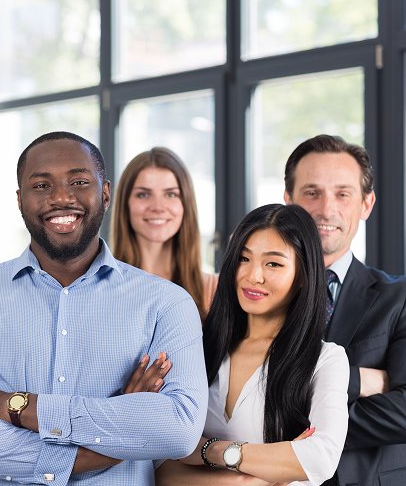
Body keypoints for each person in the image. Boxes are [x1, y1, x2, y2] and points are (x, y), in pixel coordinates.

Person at [0, 131, 208, 485]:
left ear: (106, 192)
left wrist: (23, 407)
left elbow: (178, 429)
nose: (62, 197)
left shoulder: (167, 303)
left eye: (79, 181)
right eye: (41, 186)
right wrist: (105, 440)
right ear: (20, 200)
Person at [155, 204, 349, 484]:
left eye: (273, 263)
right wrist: (249, 480)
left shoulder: (325, 359)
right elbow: (160, 462)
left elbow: (320, 458)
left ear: (303, 276)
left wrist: (211, 450)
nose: (252, 275)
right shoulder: (198, 344)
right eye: (244, 259)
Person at [283, 134, 406, 486]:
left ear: (366, 204)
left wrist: (301, 417)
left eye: (342, 193)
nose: (326, 209)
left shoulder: (398, 298)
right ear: (288, 200)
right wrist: (362, 381)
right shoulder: (253, 293)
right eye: (312, 192)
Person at [110, 147, 218, 319]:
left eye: (170, 194)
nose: (158, 207)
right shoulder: (101, 290)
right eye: (143, 194)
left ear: (185, 204)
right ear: (126, 204)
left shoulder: (215, 290)